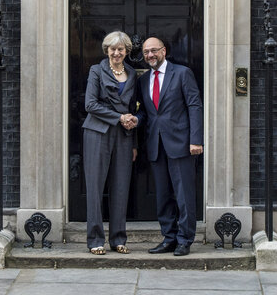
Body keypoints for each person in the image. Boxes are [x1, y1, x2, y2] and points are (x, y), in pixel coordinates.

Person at [136, 36, 203, 257]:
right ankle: (169, 238)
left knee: (184, 195)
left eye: (154, 50)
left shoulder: (182, 73)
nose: (150, 55)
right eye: (146, 52)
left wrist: (196, 140)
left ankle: (185, 239)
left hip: (182, 144)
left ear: (164, 51)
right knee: (163, 195)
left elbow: (194, 105)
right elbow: (147, 113)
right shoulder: (144, 80)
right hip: (156, 144)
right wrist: (135, 120)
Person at [82, 30, 138, 255]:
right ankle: (95, 239)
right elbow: (90, 104)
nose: (116, 53)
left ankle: (118, 238)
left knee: (121, 187)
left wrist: (134, 139)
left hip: (124, 136)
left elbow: (133, 105)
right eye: (113, 49)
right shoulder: (96, 70)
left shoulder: (132, 74)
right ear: (107, 50)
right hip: (98, 132)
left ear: (126, 51)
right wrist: (118, 117)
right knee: (95, 187)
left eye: (121, 49)